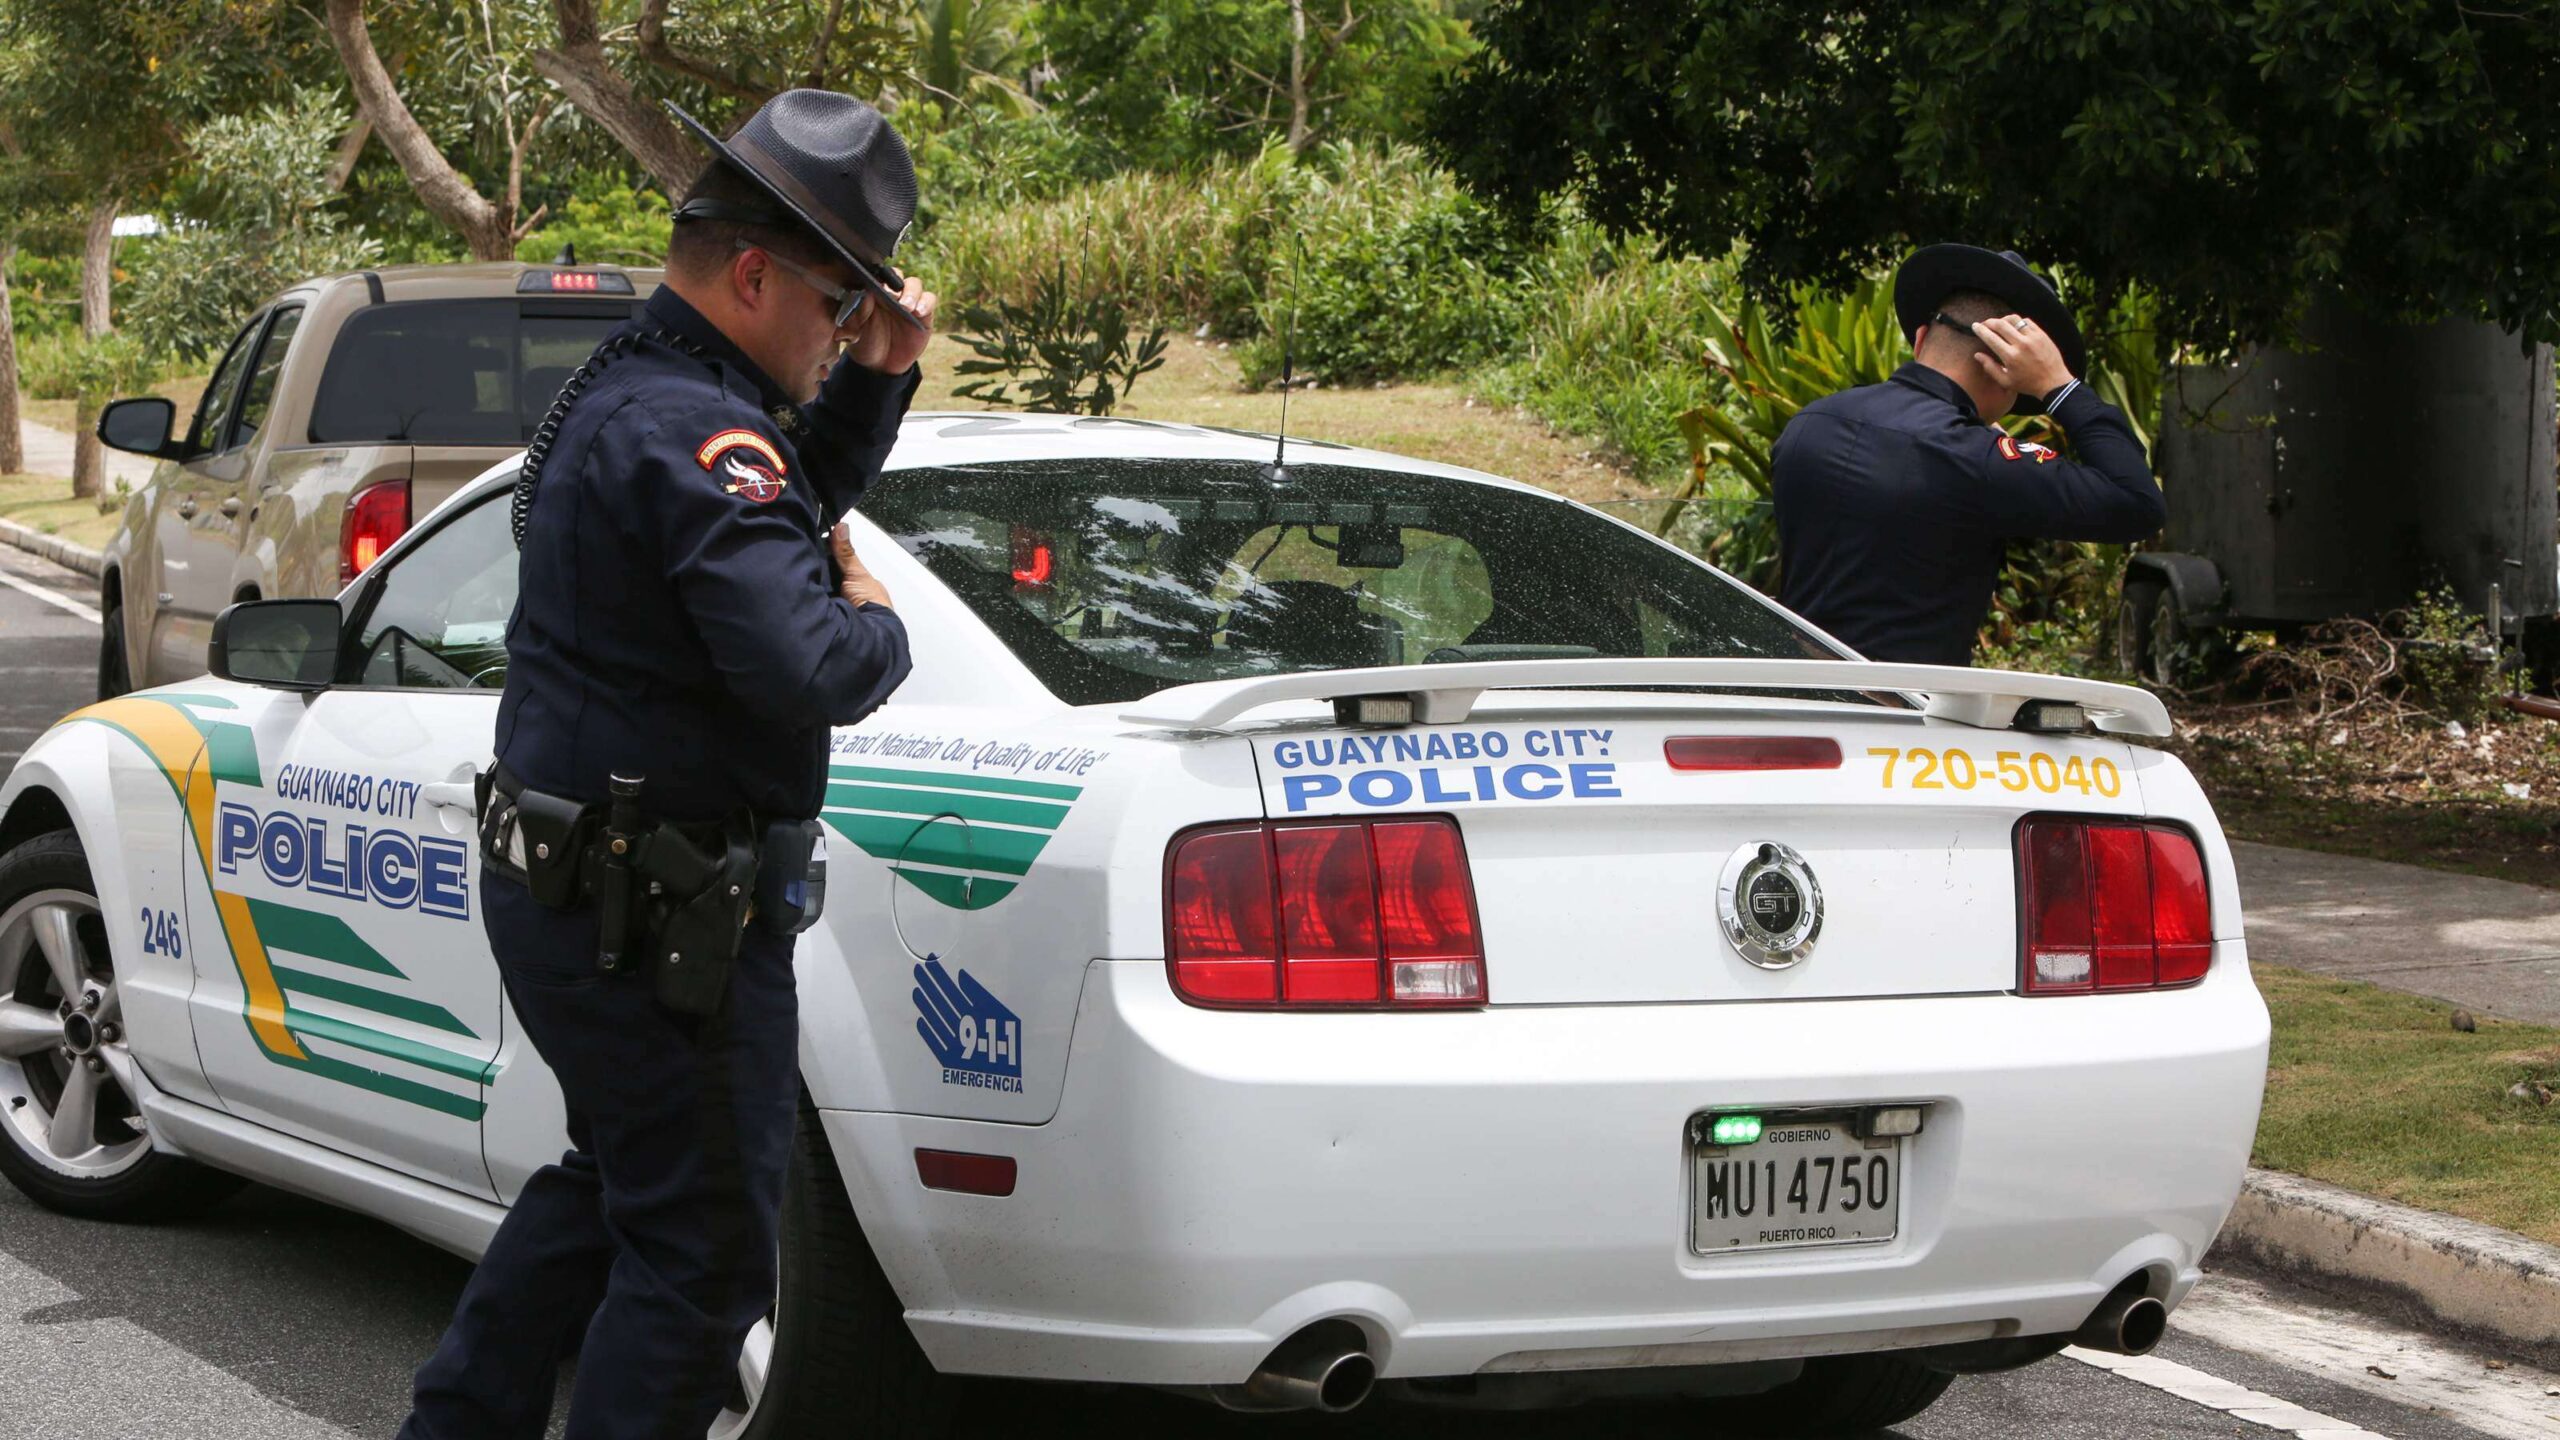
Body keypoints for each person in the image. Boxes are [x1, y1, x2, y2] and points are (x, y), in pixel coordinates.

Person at [397, 89, 934, 1440]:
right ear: (753, 273)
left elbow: (777, 500)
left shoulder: (650, 397)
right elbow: (812, 661)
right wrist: (876, 616)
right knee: (701, 1266)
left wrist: (875, 375)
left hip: (605, 897)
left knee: (614, 1191)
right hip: (663, 917)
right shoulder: (697, 432)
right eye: (836, 307)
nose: (844, 333)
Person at [1770, 244, 2165, 667]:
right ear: (2006, 369)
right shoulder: (1974, 458)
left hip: (1796, 702)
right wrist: (2059, 386)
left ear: (1920, 339)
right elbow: (2137, 503)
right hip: (1906, 717)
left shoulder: (1808, 425)